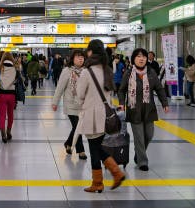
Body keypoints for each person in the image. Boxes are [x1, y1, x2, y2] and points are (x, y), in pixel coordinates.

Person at [76, 39, 126, 192]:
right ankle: (112, 175)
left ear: (90, 52)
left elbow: (80, 94)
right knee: (97, 147)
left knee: (94, 149)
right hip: (105, 116)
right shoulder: (107, 70)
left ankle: (102, 180)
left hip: (91, 116)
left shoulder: (87, 72)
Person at [118, 48, 169, 171]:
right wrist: (121, 103)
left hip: (149, 109)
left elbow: (159, 88)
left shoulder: (151, 72)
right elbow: (122, 90)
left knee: (149, 135)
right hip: (134, 109)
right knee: (139, 137)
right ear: (134, 59)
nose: (141, 59)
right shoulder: (129, 73)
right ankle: (142, 162)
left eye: (144, 56)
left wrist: (164, 103)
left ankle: (139, 153)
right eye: (138, 56)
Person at [52, 49, 88, 159]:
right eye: (78, 57)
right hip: (71, 104)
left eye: (82, 57)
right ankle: (81, 151)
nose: (80, 59)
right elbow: (60, 87)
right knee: (78, 127)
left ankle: (68, 143)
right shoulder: (67, 71)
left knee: (77, 127)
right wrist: (55, 102)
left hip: (82, 105)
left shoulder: (86, 71)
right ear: (72, 59)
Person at [0, 51, 22, 143]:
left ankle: (3, 134)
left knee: (2, 115)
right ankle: (9, 132)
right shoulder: (16, 68)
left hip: (1, 95)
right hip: (11, 95)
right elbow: (20, 81)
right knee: (10, 114)